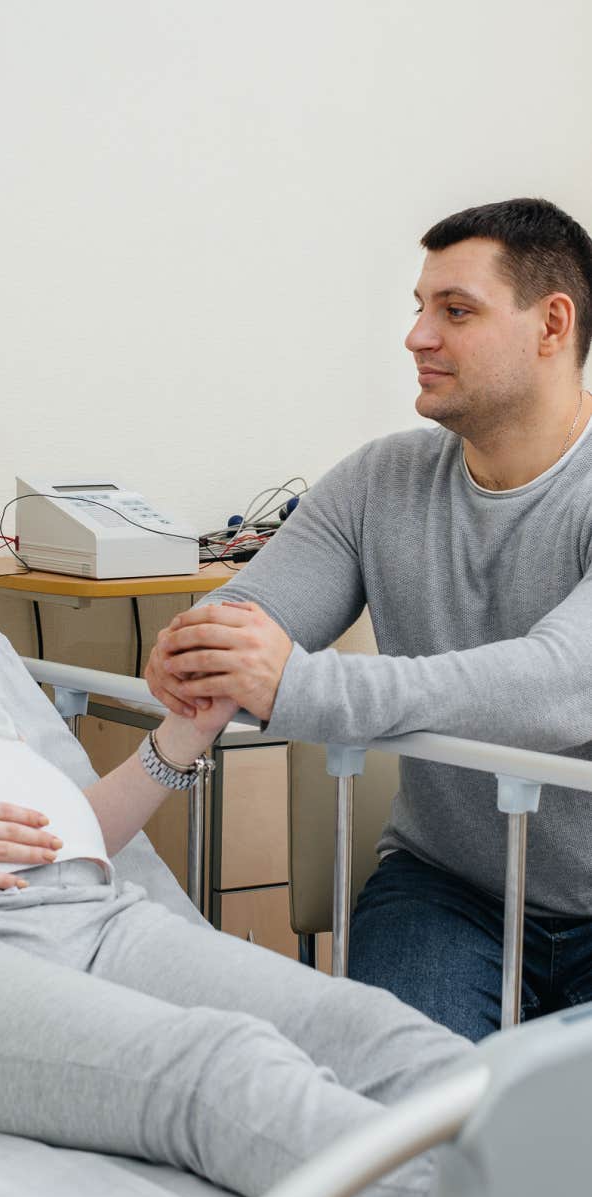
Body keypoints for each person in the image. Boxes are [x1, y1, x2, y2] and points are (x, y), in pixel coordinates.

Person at [0, 344, 468, 1197]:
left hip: (86, 912)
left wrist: (181, 738)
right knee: (220, 1070)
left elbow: (61, 834)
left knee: (376, 1034)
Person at [146, 197, 592, 1045]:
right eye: (420, 309)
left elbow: (562, 687)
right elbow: (241, 621)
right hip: (448, 889)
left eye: (455, 311)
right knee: (400, 1126)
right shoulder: (378, 482)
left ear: (552, 325)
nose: (417, 336)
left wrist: (299, 685)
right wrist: (197, 650)